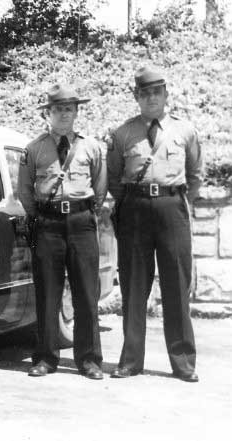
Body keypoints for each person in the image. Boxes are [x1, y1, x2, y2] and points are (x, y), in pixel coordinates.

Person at [106, 67, 201, 383]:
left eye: (156, 92)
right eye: (144, 93)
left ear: (166, 95)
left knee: (176, 284)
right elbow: (115, 179)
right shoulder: (123, 134)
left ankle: (184, 362)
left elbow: (196, 174)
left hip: (172, 208)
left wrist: (180, 202)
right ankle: (131, 361)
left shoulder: (184, 131)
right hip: (135, 209)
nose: (151, 98)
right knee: (133, 287)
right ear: (136, 96)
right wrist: (131, 203)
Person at [17, 84, 106, 380]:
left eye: (69, 109)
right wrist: (40, 215)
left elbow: (100, 186)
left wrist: (85, 211)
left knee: (85, 293)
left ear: (77, 112)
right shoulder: (34, 149)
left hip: (81, 223)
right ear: (48, 113)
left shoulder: (91, 148)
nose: (64, 115)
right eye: (58, 109)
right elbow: (25, 190)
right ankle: (45, 358)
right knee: (48, 293)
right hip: (48, 224)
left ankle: (89, 359)